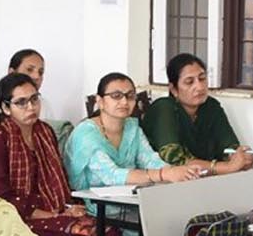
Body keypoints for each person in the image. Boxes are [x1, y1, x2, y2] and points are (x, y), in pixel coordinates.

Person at [0, 72, 133, 236]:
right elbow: (2, 195)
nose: (31, 107)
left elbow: (59, 177)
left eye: (34, 99)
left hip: (56, 209)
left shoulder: (44, 132)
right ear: (6, 108)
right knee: (79, 235)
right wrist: (51, 214)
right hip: (20, 216)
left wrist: (68, 207)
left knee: (107, 229)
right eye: (21, 102)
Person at [65, 72, 208, 192]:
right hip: (94, 205)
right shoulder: (86, 134)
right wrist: (165, 174)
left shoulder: (132, 128)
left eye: (130, 95)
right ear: (100, 101)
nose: (124, 102)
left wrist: (181, 172)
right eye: (116, 95)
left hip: (129, 200)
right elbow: (111, 175)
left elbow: (149, 159)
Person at [141, 54, 253, 172]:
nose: (199, 87)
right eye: (189, 82)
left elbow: (229, 147)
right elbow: (174, 158)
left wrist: (240, 157)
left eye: (202, 79)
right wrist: (225, 167)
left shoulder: (211, 106)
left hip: (206, 178)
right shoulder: (164, 108)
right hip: (166, 179)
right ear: (174, 89)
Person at [0, 48, 48, 127]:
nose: (37, 76)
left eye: (40, 72)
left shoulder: (44, 104)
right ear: (12, 72)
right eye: (29, 70)